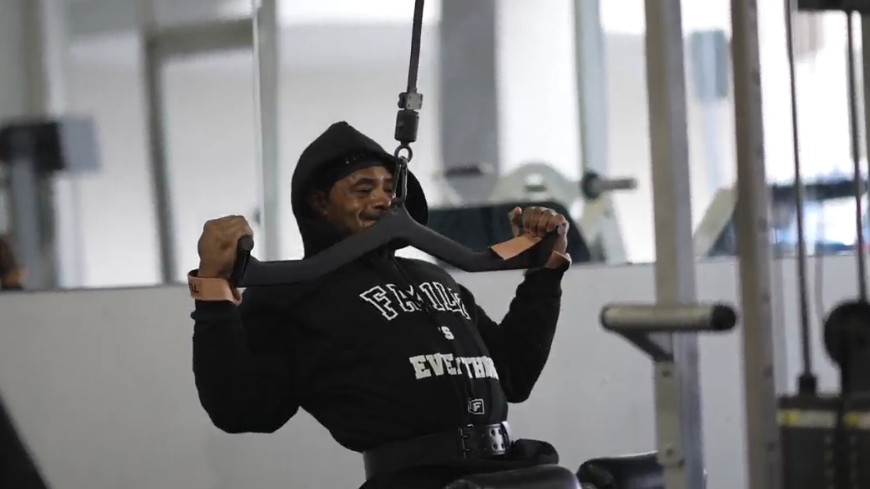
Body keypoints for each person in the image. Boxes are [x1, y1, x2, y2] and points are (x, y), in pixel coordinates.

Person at [189, 121, 572, 489]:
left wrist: (544, 276)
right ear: (319, 202)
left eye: (390, 188)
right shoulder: (293, 291)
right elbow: (240, 409)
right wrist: (213, 293)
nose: (381, 201)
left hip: (510, 471)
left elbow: (514, 377)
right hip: (414, 480)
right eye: (362, 189)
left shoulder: (433, 276)